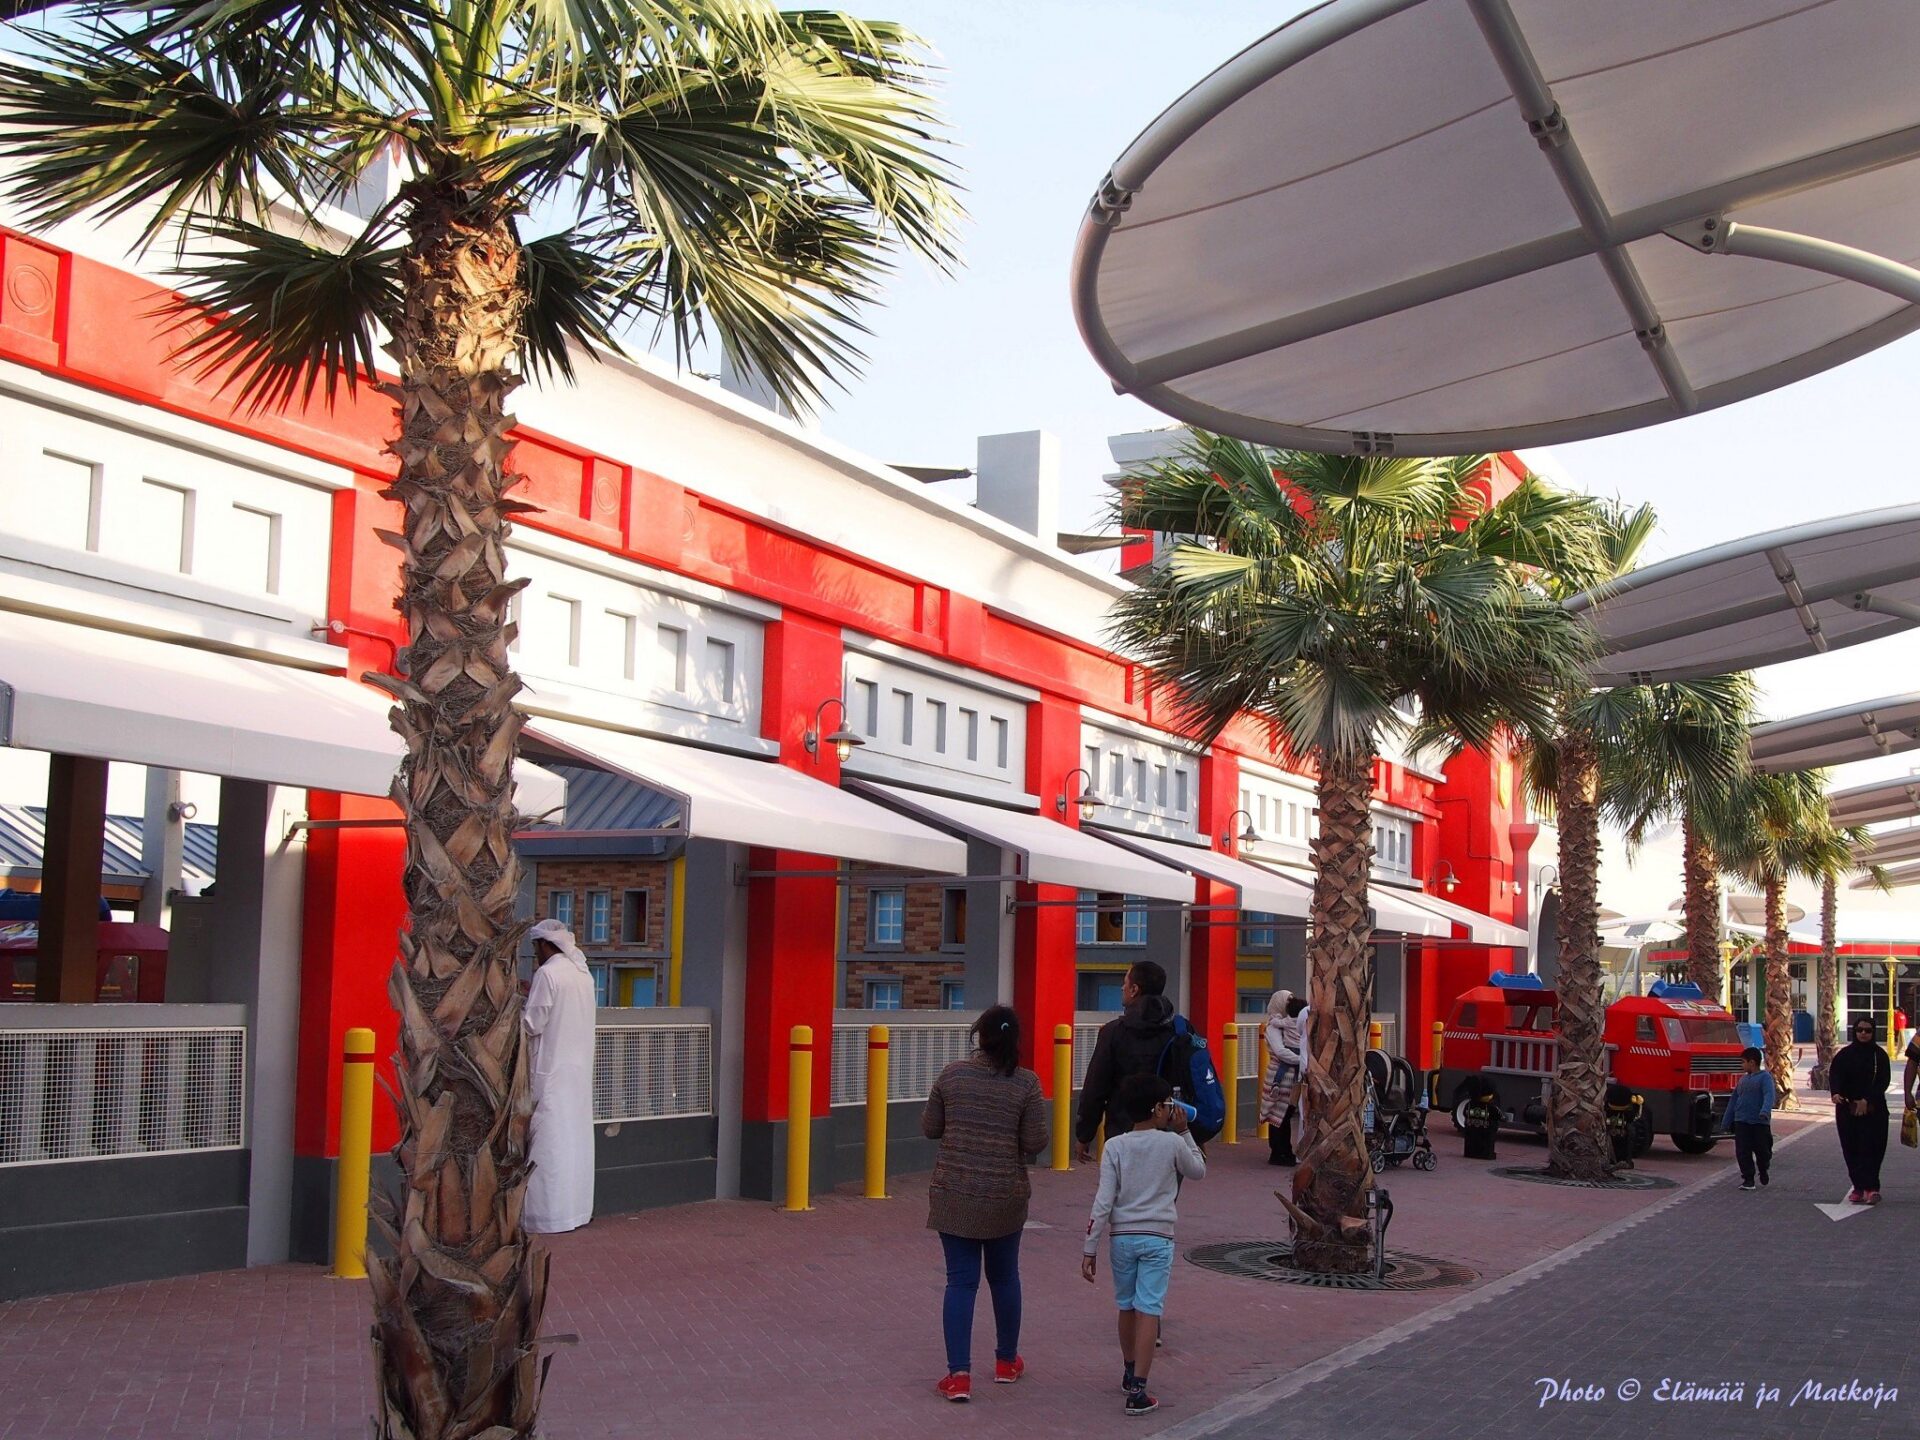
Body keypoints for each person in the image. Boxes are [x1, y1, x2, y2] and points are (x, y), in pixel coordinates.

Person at [922, 1005, 1049, 1404]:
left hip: (954, 1194)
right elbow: (1035, 1142)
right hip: (1004, 1196)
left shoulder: (952, 1075)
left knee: (960, 1282)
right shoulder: (1026, 1083)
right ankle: (1006, 1362)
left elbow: (930, 1128)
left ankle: (958, 1376)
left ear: (979, 1036)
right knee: (1005, 1277)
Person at [1081, 1072, 1206, 1416]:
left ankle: (1128, 1370)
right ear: (1156, 1108)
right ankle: (1139, 1389)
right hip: (1158, 1236)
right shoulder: (1172, 1143)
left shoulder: (1114, 1146)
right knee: (1149, 1308)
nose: (1171, 1109)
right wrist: (1185, 1132)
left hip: (1122, 1236)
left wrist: (1090, 1246)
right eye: (1167, 1104)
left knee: (1126, 1306)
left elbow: (1103, 1200)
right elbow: (1198, 1170)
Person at [522, 918, 598, 1234]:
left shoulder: (548, 973)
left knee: (548, 1144)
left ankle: (545, 1217)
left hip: (550, 1073)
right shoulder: (583, 975)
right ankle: (575, 1210)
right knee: (574, 1142)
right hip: (577, 1074)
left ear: (544, 944)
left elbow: (532, 1024)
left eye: (535, 947)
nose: (535, 954)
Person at [1074, 960, 1176, 1163]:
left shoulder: (1113, 1032)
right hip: (1169, 1131)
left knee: (1122, 1182)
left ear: (1134, 989)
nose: (1122, 988)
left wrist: (1084, 1135)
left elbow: (1095, 1088)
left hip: (1122, 1132)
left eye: (1125, 983)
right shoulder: (1178, 1030)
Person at [1830, 1016, 1892, 1204]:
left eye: (1868, 1030)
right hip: (1847, 1109)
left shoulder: (1879, 1055)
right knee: (1851, 1147)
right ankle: (1858, 1186)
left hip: (1874, 1110)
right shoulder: (1844, 1055)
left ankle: (1872, 1188)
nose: (1863, 1034)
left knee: (1873, 1147)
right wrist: (1836, 1093)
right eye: (1860, 1030)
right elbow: (1835, 1075)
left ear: (1874, 1032)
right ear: (1854, 1031)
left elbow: (1883, 1081)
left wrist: (1867, 1100)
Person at [1259, 990, 1307, 1166]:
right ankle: (1278, 1153)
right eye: (1287, 1000)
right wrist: (1302, 1060)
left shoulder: (1292, 1023)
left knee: (1285, 1115)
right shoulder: (1273, 1027)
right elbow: (1280, 1051)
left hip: (1292, 1077)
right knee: (1278, 1115)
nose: (1290, 1004)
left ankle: (1285, 1151)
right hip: (1279, 1077)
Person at [1724, 1046, 1776, 1192]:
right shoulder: (1743, 1080)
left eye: (1743, 1062)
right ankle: (1748, 1179)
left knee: (1763, 1151)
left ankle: (1763, 1169)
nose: (1742, 1065)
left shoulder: (1765, 1078)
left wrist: (1765, 1111)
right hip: (1742, 1121)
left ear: (1752, 1062)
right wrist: (1727, 1121)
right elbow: (1734, 1100)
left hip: (1759, 1122)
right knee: (1743, 1151)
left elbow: (1769, 1095)